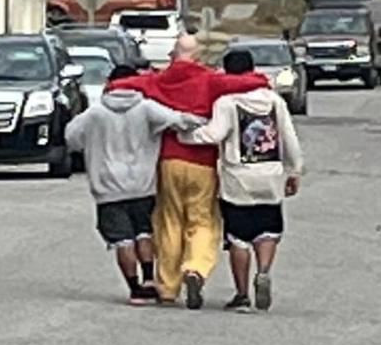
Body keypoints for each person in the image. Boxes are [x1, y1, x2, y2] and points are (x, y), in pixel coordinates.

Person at [108, 34, 269, 309]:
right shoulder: (210, 80)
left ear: (173, 54)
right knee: (202, 221)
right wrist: (262, 80)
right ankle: (195, 268)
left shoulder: (157, 80)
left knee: (168, 222)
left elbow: (121, 85)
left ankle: (167, 287)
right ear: (197, 56)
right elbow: (249, 82)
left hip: (168, 160)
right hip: (202, 162)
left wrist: (114, 84)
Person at [65, 64, 202, 306]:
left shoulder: (95, 113)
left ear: (111, 83)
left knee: (122, 241)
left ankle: (135, 288)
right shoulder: (147, 108)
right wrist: (204, 119)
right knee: (143, 232)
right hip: (142, 184)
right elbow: (179, 120)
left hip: (107, 188)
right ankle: (150, 278)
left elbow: (71, 137)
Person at [179, 50, 303, 312]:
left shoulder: (227, 102)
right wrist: (294, 171)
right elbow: (288, 137)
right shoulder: (273, 100)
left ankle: (243, 294)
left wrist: (185, 137)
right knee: (268, 229)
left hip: (238, 180)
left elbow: (215, 134)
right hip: (270, 175)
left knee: (239, 238)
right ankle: (264, 272)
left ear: (226, 71)